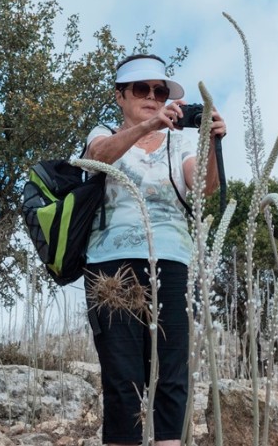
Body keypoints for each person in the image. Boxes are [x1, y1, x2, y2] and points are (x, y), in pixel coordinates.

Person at [84, 53, 226, 446]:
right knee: (121, 377)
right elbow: (96, 159)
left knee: (170, 373)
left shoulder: (179, 140)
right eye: (141, 89)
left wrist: (209, 141)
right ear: (120, 95)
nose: (152, 96)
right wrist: (147, 125)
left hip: (171, 261)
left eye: (159, 91)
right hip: (109, 266)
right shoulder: (103, 132)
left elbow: (203, 189)